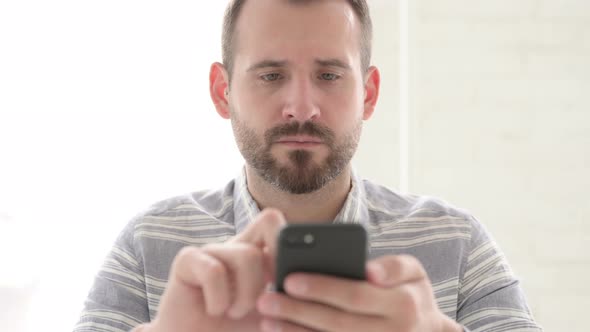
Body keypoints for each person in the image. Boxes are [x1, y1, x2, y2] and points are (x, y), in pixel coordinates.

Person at [74, 0, 542, 331]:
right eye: (271, 76)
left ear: (370, 94)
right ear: (223, 92)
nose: (301, 107)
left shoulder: (457, 244)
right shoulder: (149, 244)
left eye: (329, 76)